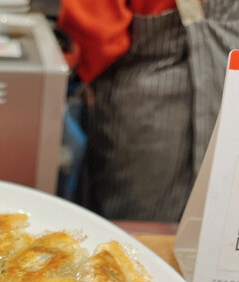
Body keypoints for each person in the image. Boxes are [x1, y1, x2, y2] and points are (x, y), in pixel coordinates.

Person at [57, 0, 239, 223]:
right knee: (217, 220)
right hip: (229, 91)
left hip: (147, 109)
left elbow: (97, 35)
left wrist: (77, 71)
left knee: (132, 230)